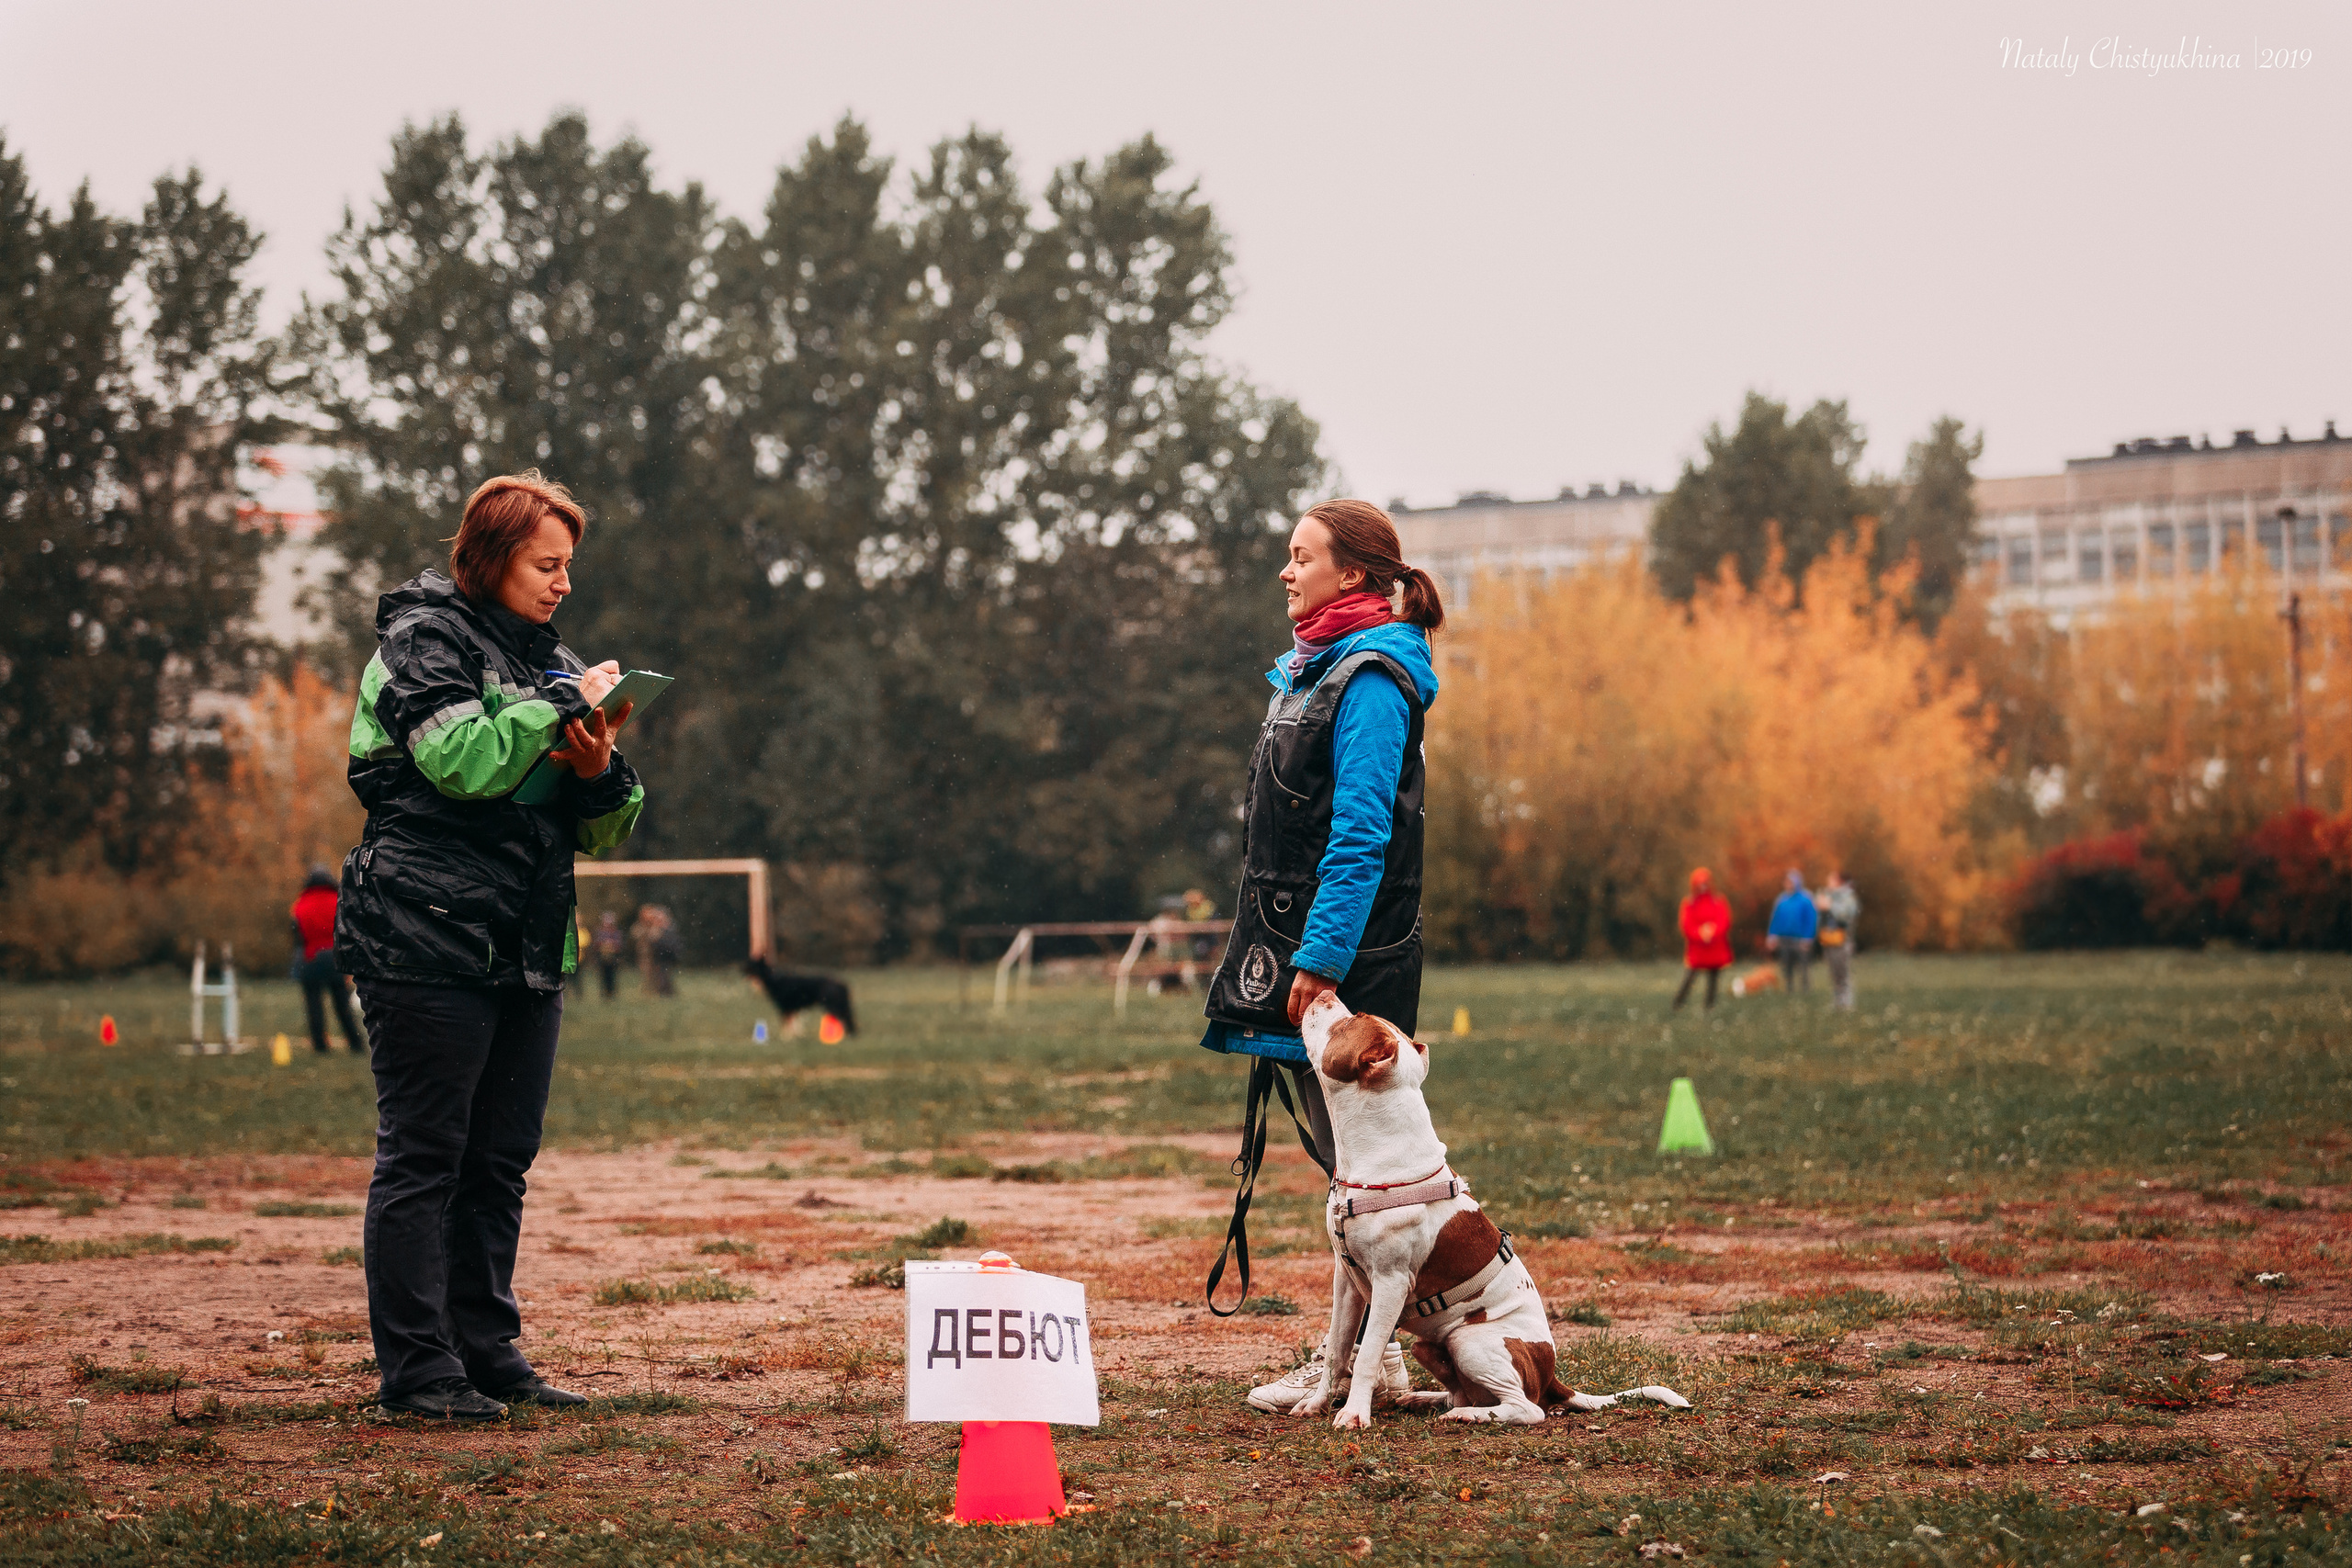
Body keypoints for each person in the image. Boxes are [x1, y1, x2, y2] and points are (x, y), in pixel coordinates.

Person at [334, 470, 645, 1423]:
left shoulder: (553, 659)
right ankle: (419, 1372)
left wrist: (597, 771)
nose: (561, 584)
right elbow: (460, 761)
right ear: (491, 556)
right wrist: (556, 714)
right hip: (422, 936)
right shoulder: (419, 642)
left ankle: (486, 1349)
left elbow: (609, 824)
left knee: (498, 1160)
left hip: (525, 942)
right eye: (545, 564)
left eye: (568, 568)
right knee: (427, 1156)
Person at [1193, 498, 1444, 1415]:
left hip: (1351, 956)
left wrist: (1324, 961)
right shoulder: (1313, 671)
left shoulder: (1371, 680)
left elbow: (1361, 835)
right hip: (1305, 943)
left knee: (1362, 1166)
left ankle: (1370, 1362)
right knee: (1346, 1163)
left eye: (1302, 558)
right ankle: (1380, 1360)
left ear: (1354, 575)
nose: (1286, 573)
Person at [290, 866, 367, 1054]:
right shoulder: (339, 901)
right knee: (342, 1004)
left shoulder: (300, 904)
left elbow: (296, 934)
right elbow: (349, 932)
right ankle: (355, 1044)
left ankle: (320, 1045)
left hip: (310, 957)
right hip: (335, 957)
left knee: (314, 1004)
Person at [1672, 867, 1733, 1010]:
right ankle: (1678, 1004)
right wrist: (1700, 933)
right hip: (1698, 948)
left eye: (1705, 883)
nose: (1703, 887)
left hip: (1714, 946)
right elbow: (1686, 925)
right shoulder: (1689, 903)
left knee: (1713, 978)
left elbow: (1724, 921)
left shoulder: (1718, 900)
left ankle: (1709, 1006)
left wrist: (1712, 931)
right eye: (1699, 884)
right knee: (1690, 977)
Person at [1766, 868, 1818, 993]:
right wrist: (1772, 935)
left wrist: (1808, 937)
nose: (1788, 884)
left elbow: (1811, 919)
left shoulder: (1806, 899)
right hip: (1784, 939)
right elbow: (1775, 919)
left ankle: (1806, 990)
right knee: (1786, 966)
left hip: (1800, 939)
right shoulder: (1781, 900)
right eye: (1787, 882)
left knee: (1803, 966)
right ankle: (1789, 990)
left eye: (1791, 882)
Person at [1818, 870, 1860, 1010]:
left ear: (1838, 882)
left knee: (1843, 973)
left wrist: (1830, 906)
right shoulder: (1828, 895)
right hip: (1829, 939)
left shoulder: (1848, 897)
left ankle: (1846, 1003)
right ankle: (1838, 1003)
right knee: (1834, 973)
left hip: (1843, 940)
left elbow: (1846, 914)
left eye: (1831, 880)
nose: (1828, 883)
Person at [591, 911, 627, 1000]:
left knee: (612, 976)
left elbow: (620, 945)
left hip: (613, 958)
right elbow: (595, 945)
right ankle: (604, 993)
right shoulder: (599, 932)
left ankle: (612, 993)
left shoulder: (616, 932)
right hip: (602, 957)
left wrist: (612, 945)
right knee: (602, 976)